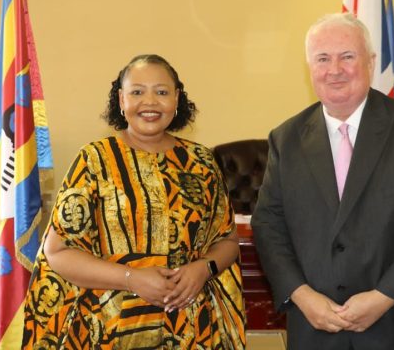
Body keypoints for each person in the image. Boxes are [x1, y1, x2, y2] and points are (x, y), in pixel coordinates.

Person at [251, 13, 394, 350]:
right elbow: (268, 224)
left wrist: (383, 296)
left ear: (371, 62)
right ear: (309, 67)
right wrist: (302, 296)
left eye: (347, 56)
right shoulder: (285, 139)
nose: (334, 69)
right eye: (322, 58)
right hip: (317, 328)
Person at [23, 54, 246, 349]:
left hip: (191, 328)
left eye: (162, 92)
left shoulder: (202, 161)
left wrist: (203, 269)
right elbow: (58, 252)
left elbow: (228, 241)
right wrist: (131, 278)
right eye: (137, 92)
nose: (150, 102)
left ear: (177, 98)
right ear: (121, 99)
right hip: (110, 328)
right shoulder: (94, 160)